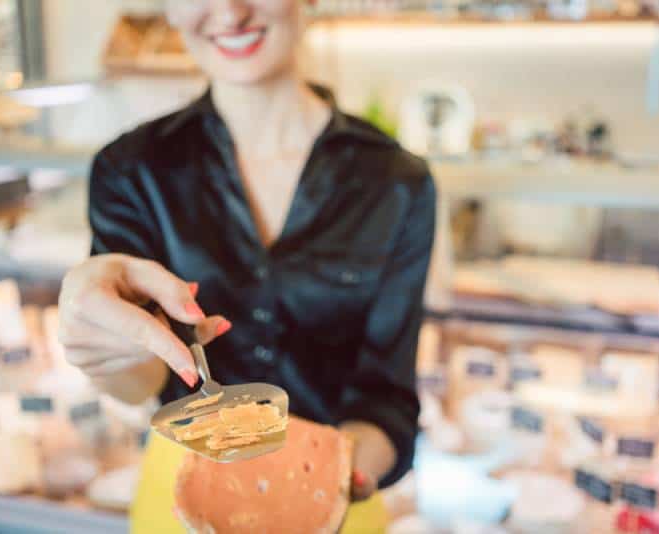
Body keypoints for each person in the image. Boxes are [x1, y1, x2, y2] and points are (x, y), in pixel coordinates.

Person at [58, 0, 435, 522]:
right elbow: (140, 382)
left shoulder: (396, 182)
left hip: (334, 494)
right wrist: (104, 353)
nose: (230, 12)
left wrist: (333, 478)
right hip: (183, 498)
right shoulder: (131, 171)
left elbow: (386, 399)